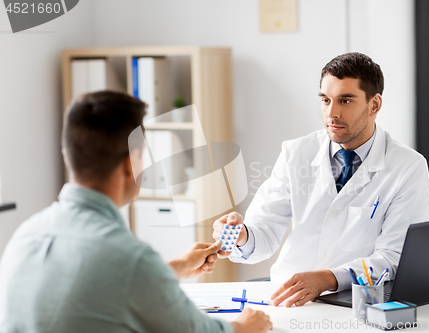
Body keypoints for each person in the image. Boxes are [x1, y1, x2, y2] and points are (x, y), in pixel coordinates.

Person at [0, 91, 272, 333]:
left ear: (67, 155)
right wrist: (244, 327)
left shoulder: (25, 236)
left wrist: (174, 268)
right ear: (132, 164)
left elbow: (96, 285)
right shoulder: (129, 259)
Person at [213, 52, 429, 308]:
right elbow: (266, 228)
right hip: (289, 297)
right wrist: (243, 235)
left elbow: (394, 257)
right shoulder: (296, 153)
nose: (332, 113)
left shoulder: (408, 167)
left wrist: (329, 278)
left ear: (374, 105)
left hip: (357, 300)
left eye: (345, 101)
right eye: (325, 100)